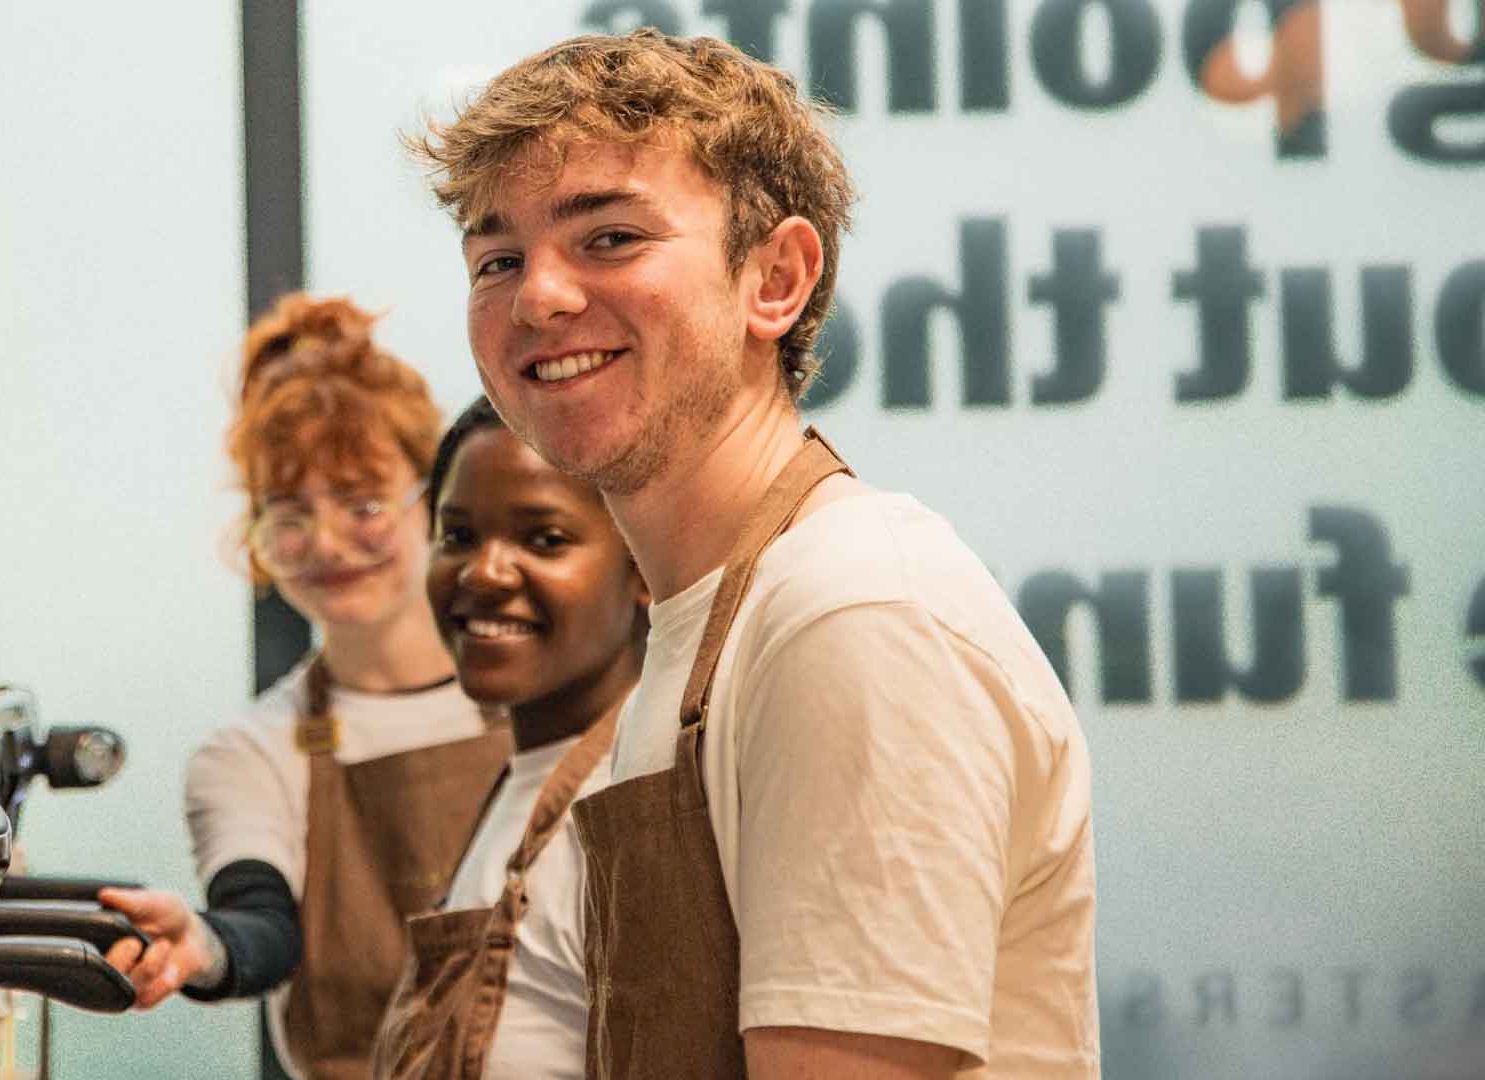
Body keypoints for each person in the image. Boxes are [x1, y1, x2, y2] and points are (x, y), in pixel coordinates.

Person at [407, 30, 1100, 1080]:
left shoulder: (850, 616)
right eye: (496, 259)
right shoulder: (703, 626)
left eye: (609, 238)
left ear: (775, 278)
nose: (537, 296)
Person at [100, 294, 513, 1080]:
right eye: (289, 513)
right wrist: (206, 944)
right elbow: (262, 928)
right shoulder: (253, 752)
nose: (325, 543)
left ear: (436, 500)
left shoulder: (551, 697)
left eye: (361, 502)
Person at [371, 398, 647, 1080]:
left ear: (644, 566)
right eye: (458, 536)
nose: (484, 572)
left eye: (544, 539)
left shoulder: (637, 798)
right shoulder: (522, 781)